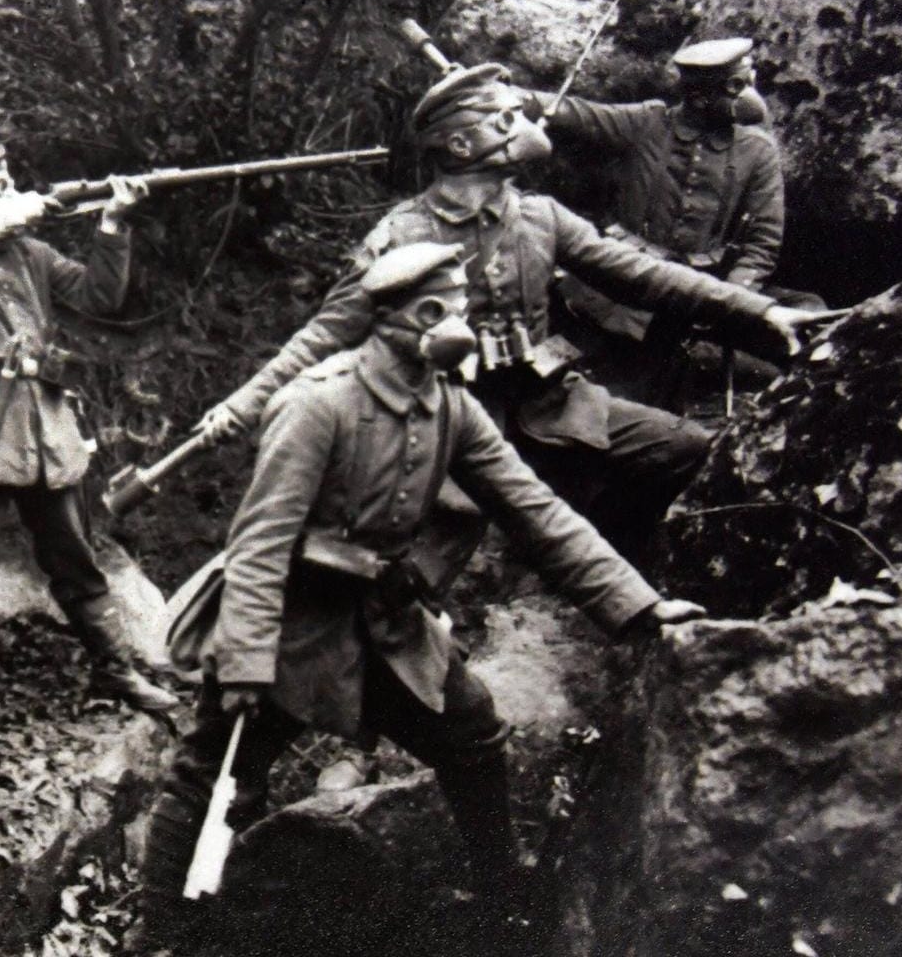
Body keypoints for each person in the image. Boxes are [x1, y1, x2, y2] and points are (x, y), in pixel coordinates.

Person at [126, 244, 707, 953]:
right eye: (448, 306)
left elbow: (535, 509)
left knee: (471, 733)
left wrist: (639, 606)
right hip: (291, 624)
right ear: (409, 317)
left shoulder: (451, 407)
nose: (465, 318)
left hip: (387, 622)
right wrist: (245, 663)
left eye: (463, 302)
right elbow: (259, 544)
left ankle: (503, 904)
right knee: (213, 775)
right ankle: (164, 934)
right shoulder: (318, 403)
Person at [193, 64, 824, 563]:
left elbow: (649, 277)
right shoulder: (401, 234)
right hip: (447, 429)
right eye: (504, 117)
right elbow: (324, 337)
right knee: (414, 575)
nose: (522, 120)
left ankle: (616, 568)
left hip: (551, 402)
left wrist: (759, 311)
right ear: (464, 143)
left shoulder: (540, 215)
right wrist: (241, 407)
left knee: (690, 450)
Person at [0, 145, 177, 728]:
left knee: (75, 557)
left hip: (44, 427)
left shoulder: (32, 254)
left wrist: (112, 222)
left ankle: (115, 667)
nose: (13, 193)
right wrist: (29, 207)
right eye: (0, 187)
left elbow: (100, 298)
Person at [534, 37, 824, 400]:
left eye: (748, 81)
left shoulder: (757, 150)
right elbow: (573, 112)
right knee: (582, 381)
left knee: (809, 313)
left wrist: (732, 299)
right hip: (617, 288)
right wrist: (499, 93)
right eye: (737, 85)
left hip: (699, 293)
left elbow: (762, 242)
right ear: (700, 96)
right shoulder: (647, 123)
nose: (749, 95)